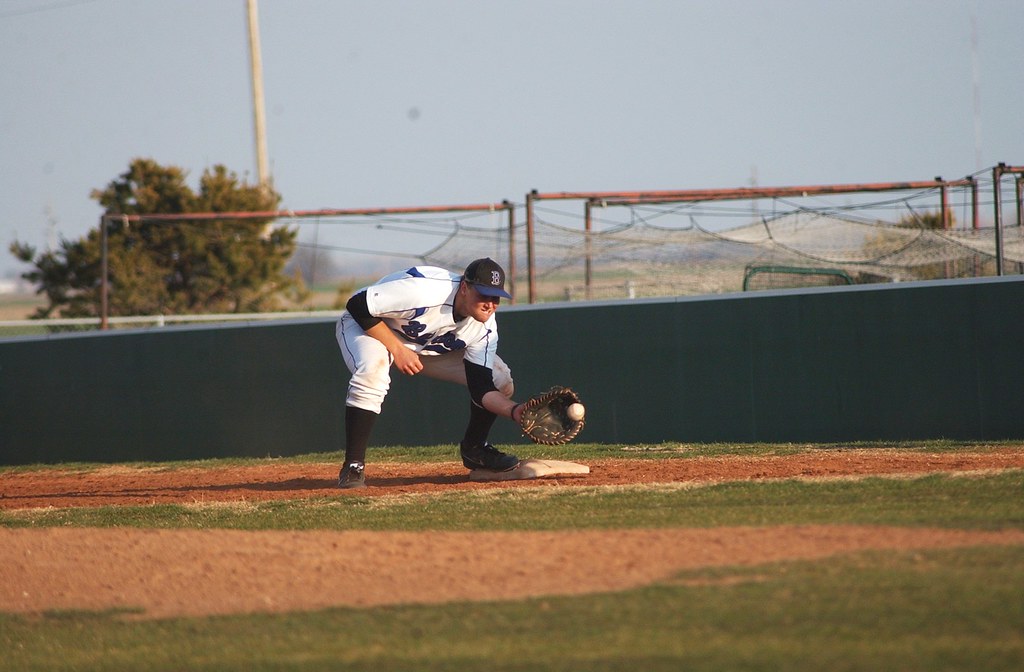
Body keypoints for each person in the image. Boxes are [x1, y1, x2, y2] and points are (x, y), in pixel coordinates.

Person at [334, 258, 528, 489]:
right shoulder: (426, 291)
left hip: (426, 346)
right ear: (464, 288)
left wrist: (516, 411)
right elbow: (357, 304)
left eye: (495, 297)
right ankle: (353, 465)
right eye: (483, 294)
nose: (490, 304)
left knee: (500, 379)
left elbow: (482, 387)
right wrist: (397, 349)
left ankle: (475, 449)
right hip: (370, 326)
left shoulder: (484, 327)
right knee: (373, 371)